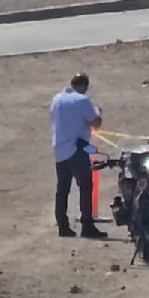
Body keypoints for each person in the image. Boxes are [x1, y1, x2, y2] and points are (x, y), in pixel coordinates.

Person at [51, 73, 107, 239]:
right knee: (85, 186)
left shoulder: (56, 99)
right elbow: (95, 122)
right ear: (84, 86)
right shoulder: (82, 100)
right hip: (77, 148)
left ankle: (63, 226)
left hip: (60, 149)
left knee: (63, 188)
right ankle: (87, 225)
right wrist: (97, 112)